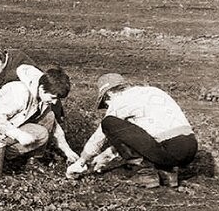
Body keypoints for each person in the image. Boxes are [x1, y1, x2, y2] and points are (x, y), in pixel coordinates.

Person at [66, 73, 197, 188]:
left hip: (168, 148)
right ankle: (168, 172)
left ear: (109, 94)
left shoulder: (120, 101)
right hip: (190, 146)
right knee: (151, 137)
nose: (107, 107)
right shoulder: (152, 91)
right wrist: (105, 156)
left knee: (108, 123)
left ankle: (145, 172)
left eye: (106, 103)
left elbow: (100, 136)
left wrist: (82, 161)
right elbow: (136, 138)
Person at [0, 64, 79, 163]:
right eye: (53, 97)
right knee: (41, 133)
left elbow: (54, 126)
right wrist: (19, 135)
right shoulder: (20, 93)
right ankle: (1, 158)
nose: (55, 102)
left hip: (5, 130)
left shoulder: (42, 96)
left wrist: (67, 150)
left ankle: (32, 159)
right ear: (41, 88)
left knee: (49, 117)